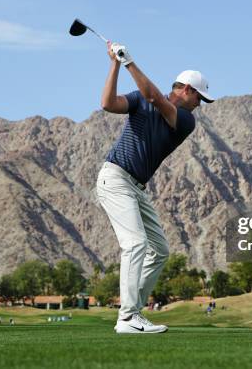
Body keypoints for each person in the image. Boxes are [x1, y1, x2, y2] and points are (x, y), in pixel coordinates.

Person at [97, 41, 214, 334]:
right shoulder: (141, 99)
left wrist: (129, 62)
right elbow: (108, 104)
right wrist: (115, 63)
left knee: (159, 250)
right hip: (115, 179)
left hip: (136, 187)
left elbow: (154, 98)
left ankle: (133, 312)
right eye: (199, 97)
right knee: (135, 244)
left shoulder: (185, 120)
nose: (200, 105)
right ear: (186, 89)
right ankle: (127, 318)